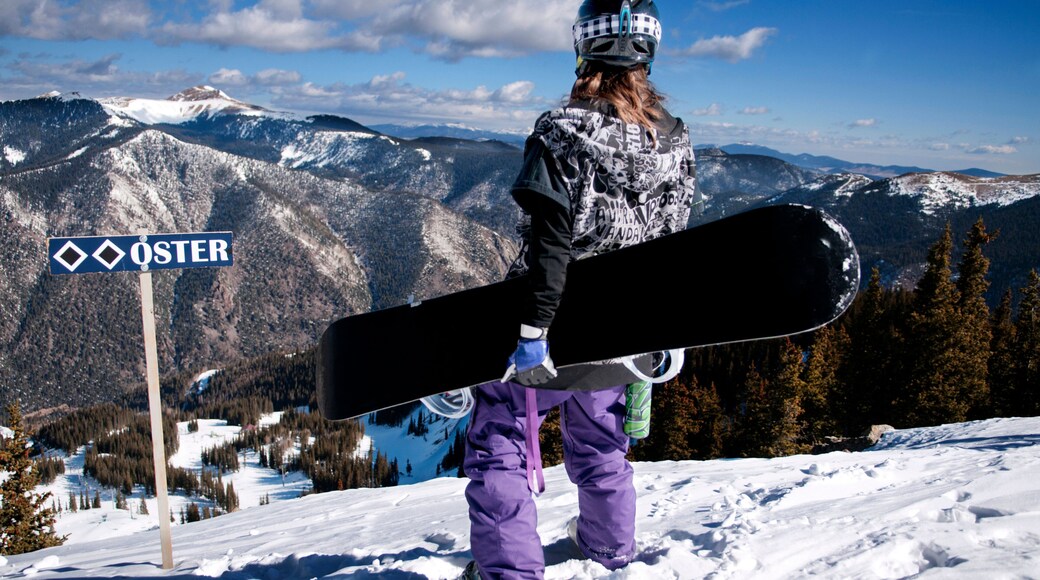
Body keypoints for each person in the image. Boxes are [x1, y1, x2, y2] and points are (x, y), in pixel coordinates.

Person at [462, 1, 701, 577]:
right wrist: (667, 330)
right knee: (601, 443)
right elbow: (672, 245)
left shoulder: (562, 132)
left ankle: (509, 572)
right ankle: (610, 546)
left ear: (583, 47)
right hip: (625, 337)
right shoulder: (674, 141)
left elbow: (552, 246)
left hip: (559, 334)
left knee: (500, 443)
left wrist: (532, 333)